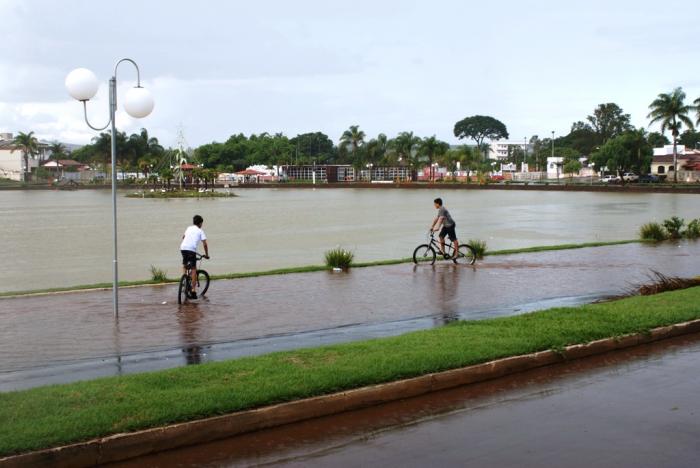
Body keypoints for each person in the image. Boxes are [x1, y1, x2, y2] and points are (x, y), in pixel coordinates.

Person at [180, 214, 209, 299]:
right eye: (201, 223)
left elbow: (183, 237)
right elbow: (205, 244)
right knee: (193, 269)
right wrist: (206, 255)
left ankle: (184, 279)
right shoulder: (200, 231)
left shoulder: (189, 228)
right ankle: (193, 290)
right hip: (191, 250)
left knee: (185, 264)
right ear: (200, 223)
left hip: (183, 248)